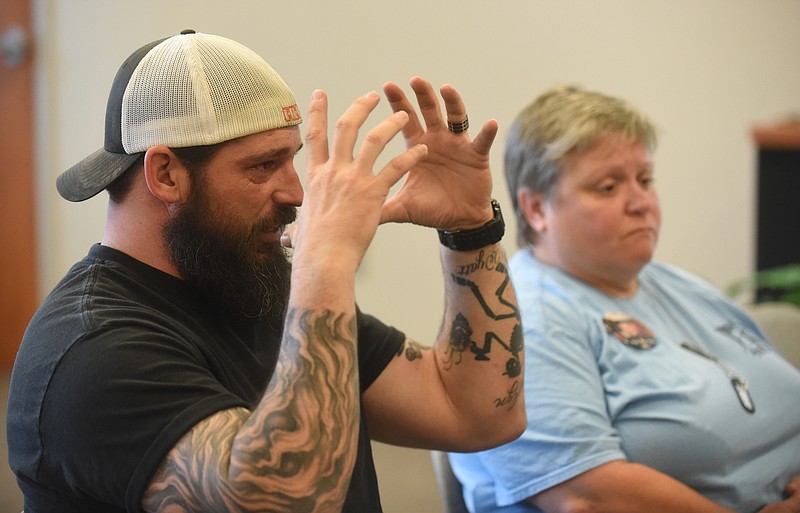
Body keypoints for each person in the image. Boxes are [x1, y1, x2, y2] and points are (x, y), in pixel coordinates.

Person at [6, 30, 526, 513]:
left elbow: (478, 412)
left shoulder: (252, 285)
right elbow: (288, 500)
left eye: (291, 159)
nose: (296, 193)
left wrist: (470, 231)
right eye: (262, 166)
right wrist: (327, 261)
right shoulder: (92, 350)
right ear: (166, 174)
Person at [448, 84, 800, 513]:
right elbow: (586, 495)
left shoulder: (672, 283)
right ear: (537, 209)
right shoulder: (524, 319)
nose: (641, 203)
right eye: (608, 187)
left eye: (646, 180)